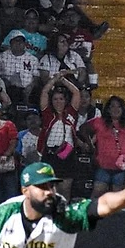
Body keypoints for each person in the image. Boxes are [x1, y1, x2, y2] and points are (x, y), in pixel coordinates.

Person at [80, 95, 125, 198]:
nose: (116, 109)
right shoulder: (99, 121)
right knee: (96, 194)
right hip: (103, 166)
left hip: (121, 168)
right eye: (113, 106)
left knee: (117, 197)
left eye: (119, 107)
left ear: (123, 109)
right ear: (108, 109)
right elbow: (83, 129)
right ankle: (91, 214)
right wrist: (91, 146)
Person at [37, 72, 81, 200]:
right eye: (55, 99)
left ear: (65, 100)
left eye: (61, 99)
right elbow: (45, 92)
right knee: (50, 190)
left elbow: (76, 93)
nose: (58, 101)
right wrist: (55, 79)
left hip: (68, 156)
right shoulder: (48, 114)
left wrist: (63, 80)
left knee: (65, 190)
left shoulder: (71, 112)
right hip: (50, 156)